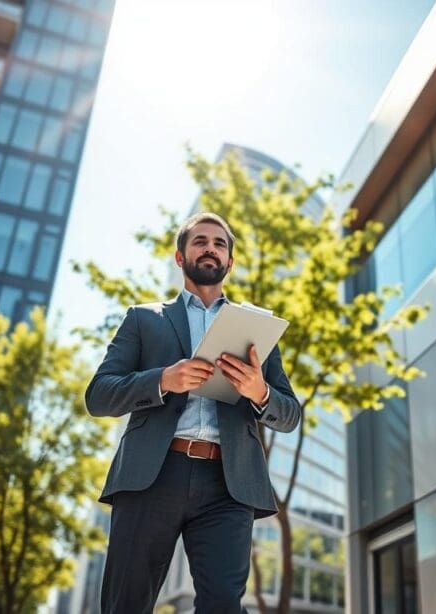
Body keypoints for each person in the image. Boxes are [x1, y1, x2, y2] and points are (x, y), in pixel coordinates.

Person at [86, 212, 301, 613]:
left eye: (220, 244)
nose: (210, 248)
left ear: (230, 263)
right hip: (152, 475)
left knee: (223, 606)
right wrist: (162, 380)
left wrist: (260, 392)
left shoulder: (258, 329)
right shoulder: (143, 319)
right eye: (200, 241)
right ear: (180, 257)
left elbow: (290, 414)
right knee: (126, 602)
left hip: (229, 484)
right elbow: (98, 396)